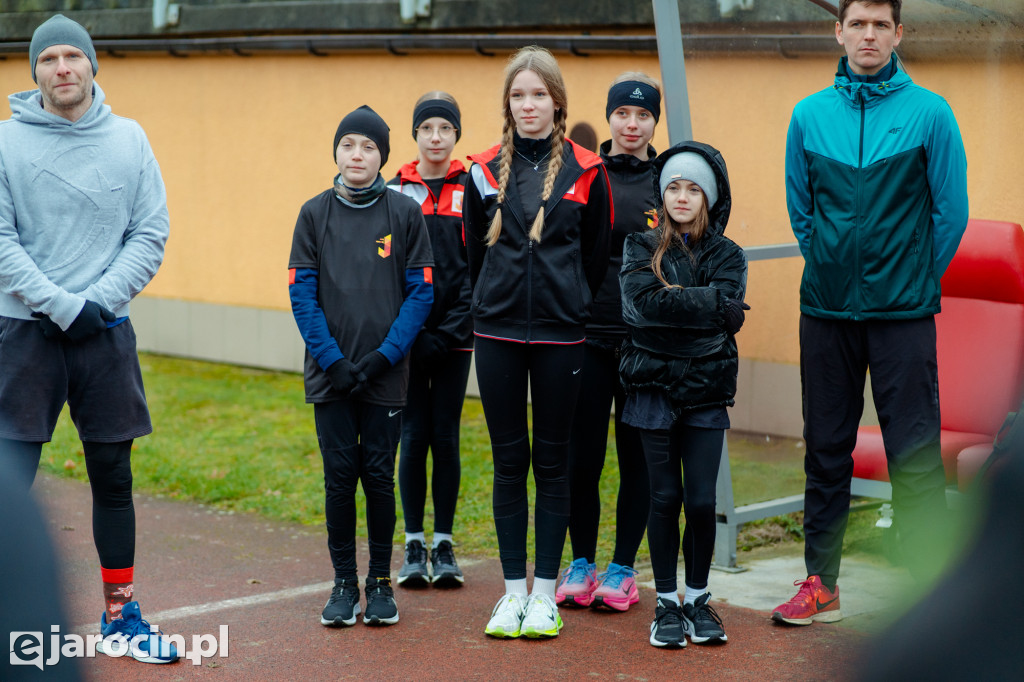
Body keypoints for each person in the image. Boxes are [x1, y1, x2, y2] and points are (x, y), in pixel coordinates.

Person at [774, 0, 968, 625]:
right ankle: (820, 582)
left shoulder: (931, 113)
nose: (868, 35)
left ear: (898, 34)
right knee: (825, 450)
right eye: (857, 23)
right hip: (826, 314)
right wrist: (835, 270)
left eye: (880, 25)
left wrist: (909, 279)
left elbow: (950, 213)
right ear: (839, 31)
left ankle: (929, 592)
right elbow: (802, 214)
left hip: (903, 316)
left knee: (914, 453)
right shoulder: (808, 116)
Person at [0, 14, 179, 665]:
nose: (63, 68)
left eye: (75, 56)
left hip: (104, 332)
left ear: (93, 66)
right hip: (24, 333)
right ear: (36, 71)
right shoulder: (6, 142)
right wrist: (55, 304)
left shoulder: (129, 140)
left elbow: (150, 232)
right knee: (9, 477)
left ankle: (121, 616)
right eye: (50, 59)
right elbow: (1, 242)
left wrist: (94, 304)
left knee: (113, 472)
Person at [463, 45, 612, 639]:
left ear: (557, 101)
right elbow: (473, 252)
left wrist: (569, 301)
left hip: (560, 338)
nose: (529, 105)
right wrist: (493, 298)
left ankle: (544, 595)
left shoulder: (587, 170)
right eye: (518, 95)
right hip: (496, 334)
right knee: (508, 463)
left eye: (538, 95)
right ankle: (509, 595)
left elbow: (595, 258)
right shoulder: (480, 168)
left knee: (553, 463)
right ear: (508, 103)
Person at [288, 104, 434, 628]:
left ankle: (378, 584)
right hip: (330, 377)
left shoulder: (405, 214)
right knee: (338, 479)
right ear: (336, 152)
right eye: (349, 144)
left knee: (378, 478)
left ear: (382, 157)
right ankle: (343, 583)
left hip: (385, 376)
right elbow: (302, 296)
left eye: (369, 146)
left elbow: (421, 295)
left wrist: (381, 358)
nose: (358, 154)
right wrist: (333, 361)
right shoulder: (313, 213)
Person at [619, 141, 748, 648]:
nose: (681, 196)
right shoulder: (639, 247)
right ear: (662, 193)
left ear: (709, 199)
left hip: (707, 390)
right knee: (664, 497)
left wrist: (678, 308)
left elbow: (728, 319)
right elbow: (640, 310)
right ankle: (667, 604)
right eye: (673, 186)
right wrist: (707, 304)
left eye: (693, 188)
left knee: (698, 501)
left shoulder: (728, 254)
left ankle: (698, 598)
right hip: (652, 388)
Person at [558, 72, 661, 612]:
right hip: (587, 335)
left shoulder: (670, 179)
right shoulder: (585, 172)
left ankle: (623, 568)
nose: (631, 123)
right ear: (611, 116)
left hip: (644, 344)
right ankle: (581, 562)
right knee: (583, 457)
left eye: (643, 115)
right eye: (623, 113)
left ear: (653, 123)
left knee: (636, 457)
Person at [388, 92, 473, 588]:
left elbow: (479, 268)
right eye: (427, 129)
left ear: (455, 135)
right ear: (415, 135)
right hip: (409, 339)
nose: (436, 137)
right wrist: (413, 333)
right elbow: (391, 270)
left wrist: (451, 330)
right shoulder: (398, 190)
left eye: (445, 128)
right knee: (412, 436)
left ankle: (444, 543)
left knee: (446, 436)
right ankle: (413, 544)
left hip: (456, 339)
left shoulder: (475, 187)